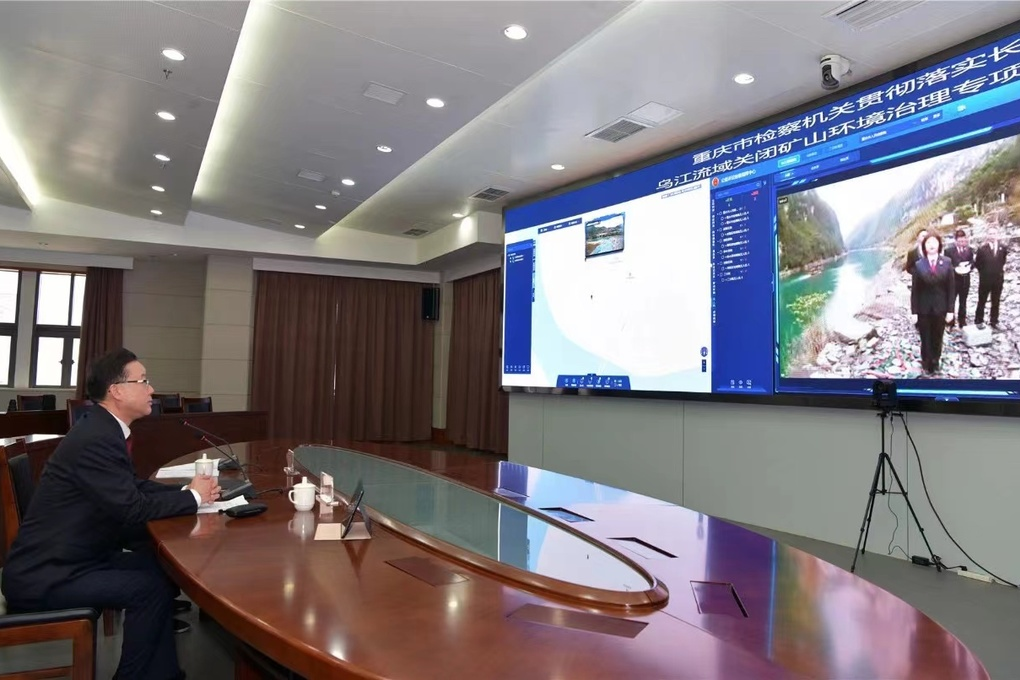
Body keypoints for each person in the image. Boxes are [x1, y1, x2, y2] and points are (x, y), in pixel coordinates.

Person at [1, 349, 221, 680]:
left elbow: (131, 487)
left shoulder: (102, 428)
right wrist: (193, 497)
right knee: (147, 589)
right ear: (117, 390)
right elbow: (132, 509)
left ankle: (163, 675)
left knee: (160, 570)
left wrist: (186, 492)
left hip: (77, 558)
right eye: (143, 381)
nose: (151, 389)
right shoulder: (97, 437)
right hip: (46, 574)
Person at [911, 233, 955, 375]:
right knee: (925, 337)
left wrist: (950, 310)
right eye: (928, 242)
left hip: (941, 308)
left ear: (939, 245)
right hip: (923, 309)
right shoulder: (919, 265)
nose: (931, 245)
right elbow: (915, 291)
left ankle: (936, 361)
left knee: (938, 336)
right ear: (924, 246)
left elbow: (951, 289)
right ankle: (926, 362)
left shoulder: (947, 262)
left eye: (934, 242)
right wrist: (914, 312)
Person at [975, 226, 1008, 329]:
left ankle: (994, 321)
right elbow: (978, 264)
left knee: (996, 301)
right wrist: (984, 273)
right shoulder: (982, 249)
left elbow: (1003, 261)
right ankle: (979, 320)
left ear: (997, 234)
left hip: (998, 279)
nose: (992, 236)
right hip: (985, 279)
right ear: (987, 235)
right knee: (982, 300)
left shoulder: (1003, 247)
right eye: (990, 233)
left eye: (994, 233)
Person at [945, 228, 975, 327]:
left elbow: (972, 262)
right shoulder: (949, 251)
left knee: (963, 301)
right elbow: (946, 265)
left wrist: (969, 267)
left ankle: (962, 321)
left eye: (963, 241)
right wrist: (956, 268)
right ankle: (951, 322)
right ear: (955, 241)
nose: (962, 243)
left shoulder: (969, 250)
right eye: (960, 241)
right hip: (954, 280)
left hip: (965, 279)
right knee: (951, 301)